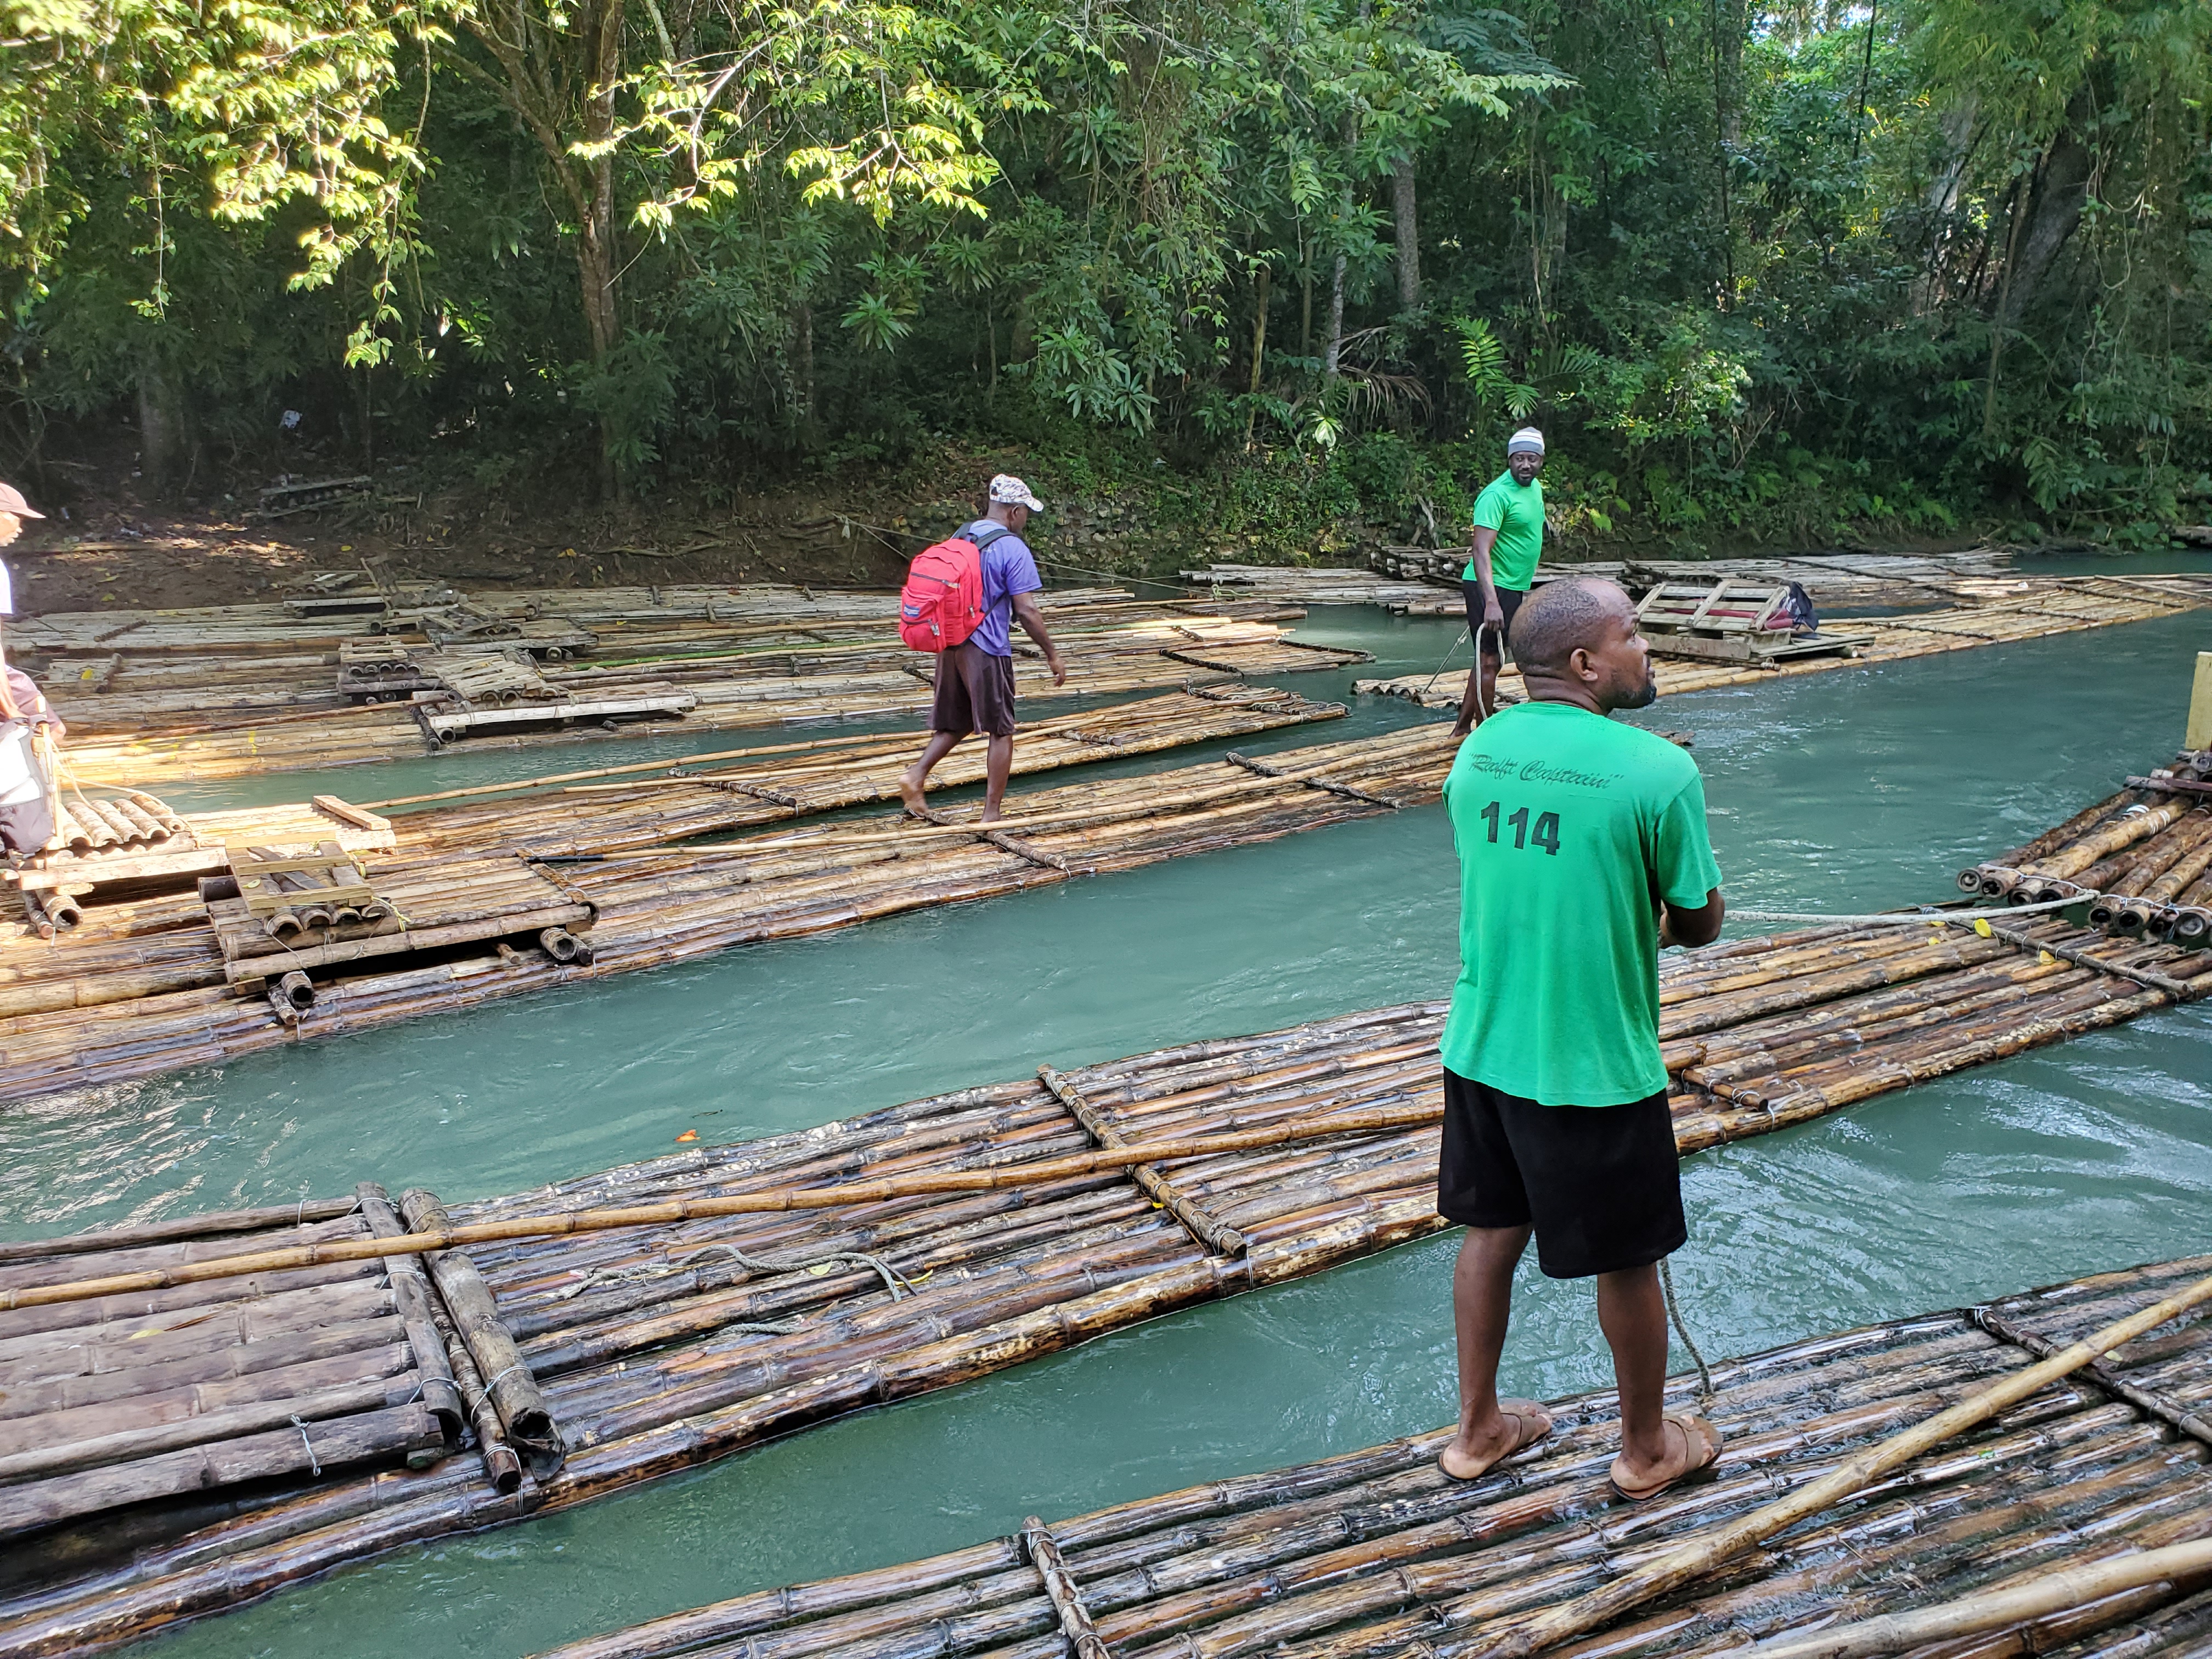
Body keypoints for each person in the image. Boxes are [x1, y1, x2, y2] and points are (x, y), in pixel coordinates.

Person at [1434, 576, 1728, 1503]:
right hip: (1591, 1061)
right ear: (1584, 662)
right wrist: (1656, 911)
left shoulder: (1480, 750)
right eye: (1632, 633)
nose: (1647, 650)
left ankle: (1477, 1429)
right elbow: (1699, 919)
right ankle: (1644, 1450)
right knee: (1628, 1258)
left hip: (1482, 1044)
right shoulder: (1657, 770)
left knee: (1491, 1232)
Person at [899, 474, 1066, 823]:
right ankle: (992, 815)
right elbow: (1027, 610)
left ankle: (915, 776)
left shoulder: (962, 535)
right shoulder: (1012, 548)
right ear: (1015, 512)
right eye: (1026, 514)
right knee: (1002, 730)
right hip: (986, 647)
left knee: (955, 723)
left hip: (949, 642)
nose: (1025, 520)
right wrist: (1052, 653)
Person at [1452, 428, 1548, 737]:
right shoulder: (1496, 495)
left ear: (1541, 461)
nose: (1525, 465)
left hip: (1515, 587)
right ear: (1510, 460)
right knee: (1491, 661)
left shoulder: (1535, 490)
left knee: (1486, 660)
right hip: (1491, 587)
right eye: (1519, 458)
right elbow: (1480, 550)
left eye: (1532, 459)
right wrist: (1491, 601)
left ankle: (1461, 728)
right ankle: (1485, 735)